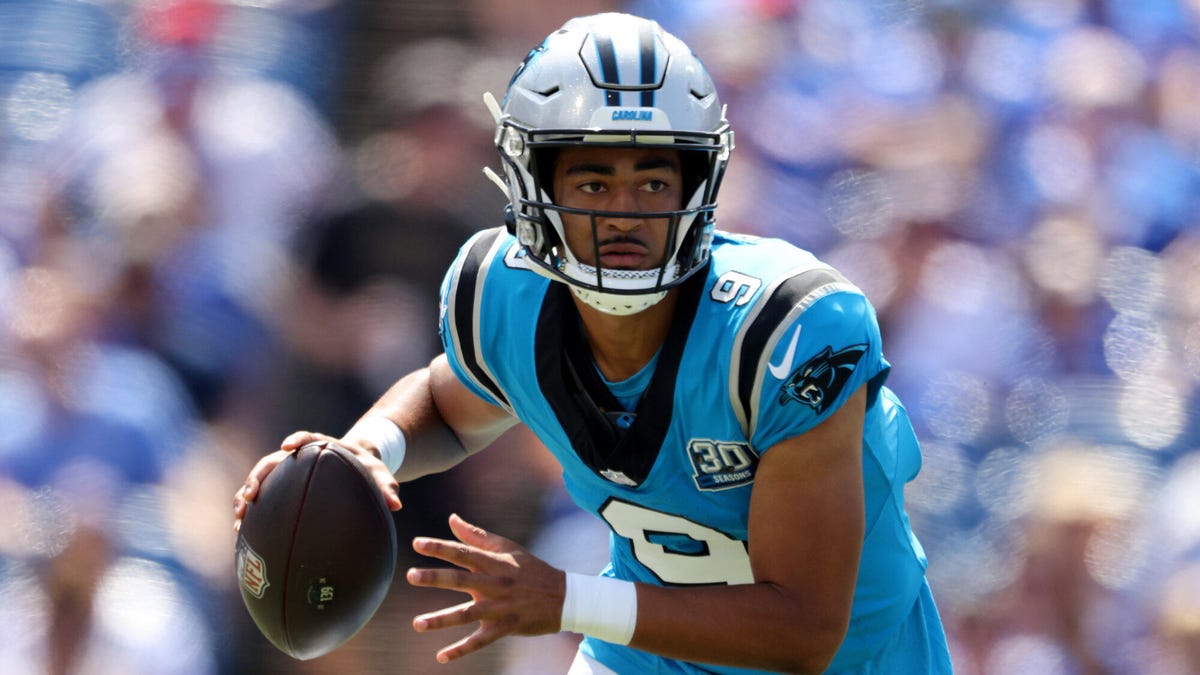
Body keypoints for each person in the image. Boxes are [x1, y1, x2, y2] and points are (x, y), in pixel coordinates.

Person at [234, 12, 952, 674]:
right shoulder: (506, 293)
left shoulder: (786, 330)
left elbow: (803, 625)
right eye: (593, 180)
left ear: (698, 182)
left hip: (853, 658)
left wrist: (568, 601)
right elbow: (451, 400)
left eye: (652, 180)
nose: (624, 213)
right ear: (532, 184)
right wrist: (369, 449)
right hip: (647, 651)